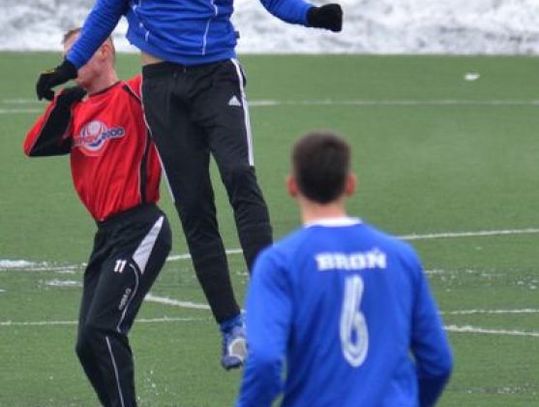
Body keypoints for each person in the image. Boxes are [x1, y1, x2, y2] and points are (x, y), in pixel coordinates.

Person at [34, 0, 343, 369]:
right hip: (161, 86)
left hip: (216, 75)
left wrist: (310, 15)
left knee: (239, 176)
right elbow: (107, 10)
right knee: (193, 205)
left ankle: (272, 306)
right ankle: (231, 326)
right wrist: (69, 66)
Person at [236, 131, 453, 407]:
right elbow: (438, 362)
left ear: (292, 186)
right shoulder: (400, 257)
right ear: (350, 184)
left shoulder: (279, 263)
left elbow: (266, 360)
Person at [24, 29, 172, 407]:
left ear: (104, 50)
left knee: (104, 329)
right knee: (86, 344)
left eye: (78, 53)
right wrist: (65, 99)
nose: (70, 64)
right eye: (66, 58)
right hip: (106, 236)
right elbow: (34, 146)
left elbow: (170, 74)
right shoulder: (76, 109)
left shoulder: (136, 92)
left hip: (142, 226)